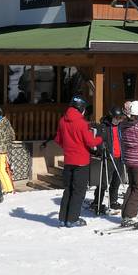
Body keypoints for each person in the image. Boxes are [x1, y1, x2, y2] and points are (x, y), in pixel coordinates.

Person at [55, 95, 103, 227]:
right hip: (81, 161)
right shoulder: (82, 123)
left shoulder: (62, 121)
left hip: (68, 160)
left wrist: (68, 147)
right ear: (81, 108)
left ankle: (63, 218)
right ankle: (73, 219)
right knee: (78, 191)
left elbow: (58, 140)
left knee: (68, 189)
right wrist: (100, 138)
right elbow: (91, 142)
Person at [91, 106, 125, 213]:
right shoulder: (104, 127)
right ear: (111, 117)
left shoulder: (121, 126)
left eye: (120, 118)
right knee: (103, 183)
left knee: (116, 181)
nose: (118, 120)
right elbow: (99, 140)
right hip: (108, 158)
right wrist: (101, 147)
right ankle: (97, 203)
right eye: (116, 118)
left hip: (119, 157)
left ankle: (113, 201)